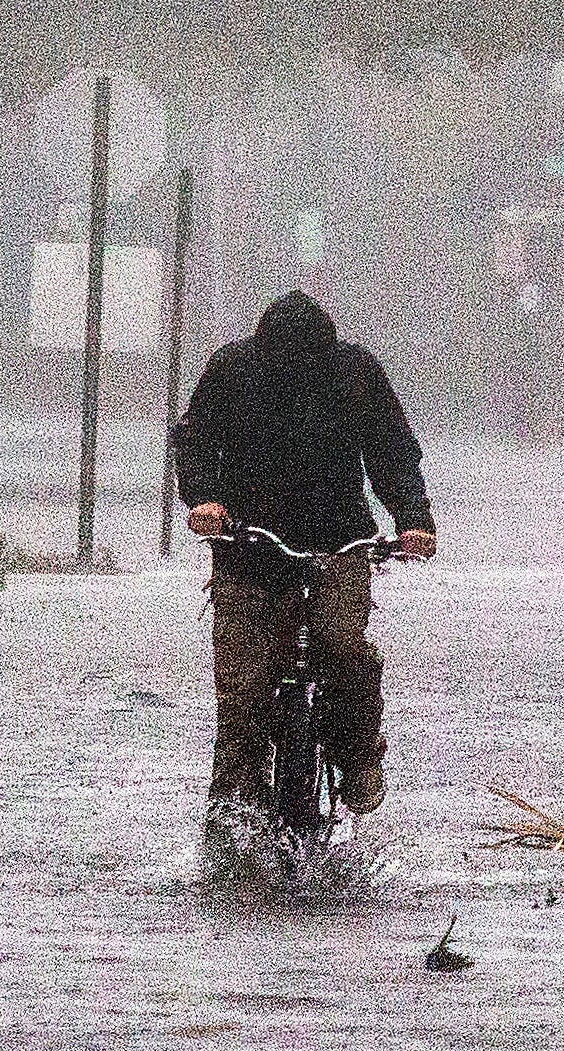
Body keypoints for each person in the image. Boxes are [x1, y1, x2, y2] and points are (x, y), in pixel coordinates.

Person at [171, 290, 438, 816]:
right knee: (245, 689)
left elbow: (391, 450)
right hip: (249, 545)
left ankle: (360, 758)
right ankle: (230, 801)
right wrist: (204, 499)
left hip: (339, 541)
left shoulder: (355, 375)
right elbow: (198, 439)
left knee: (342, 646)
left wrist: (412, 519)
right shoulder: (234, 371)